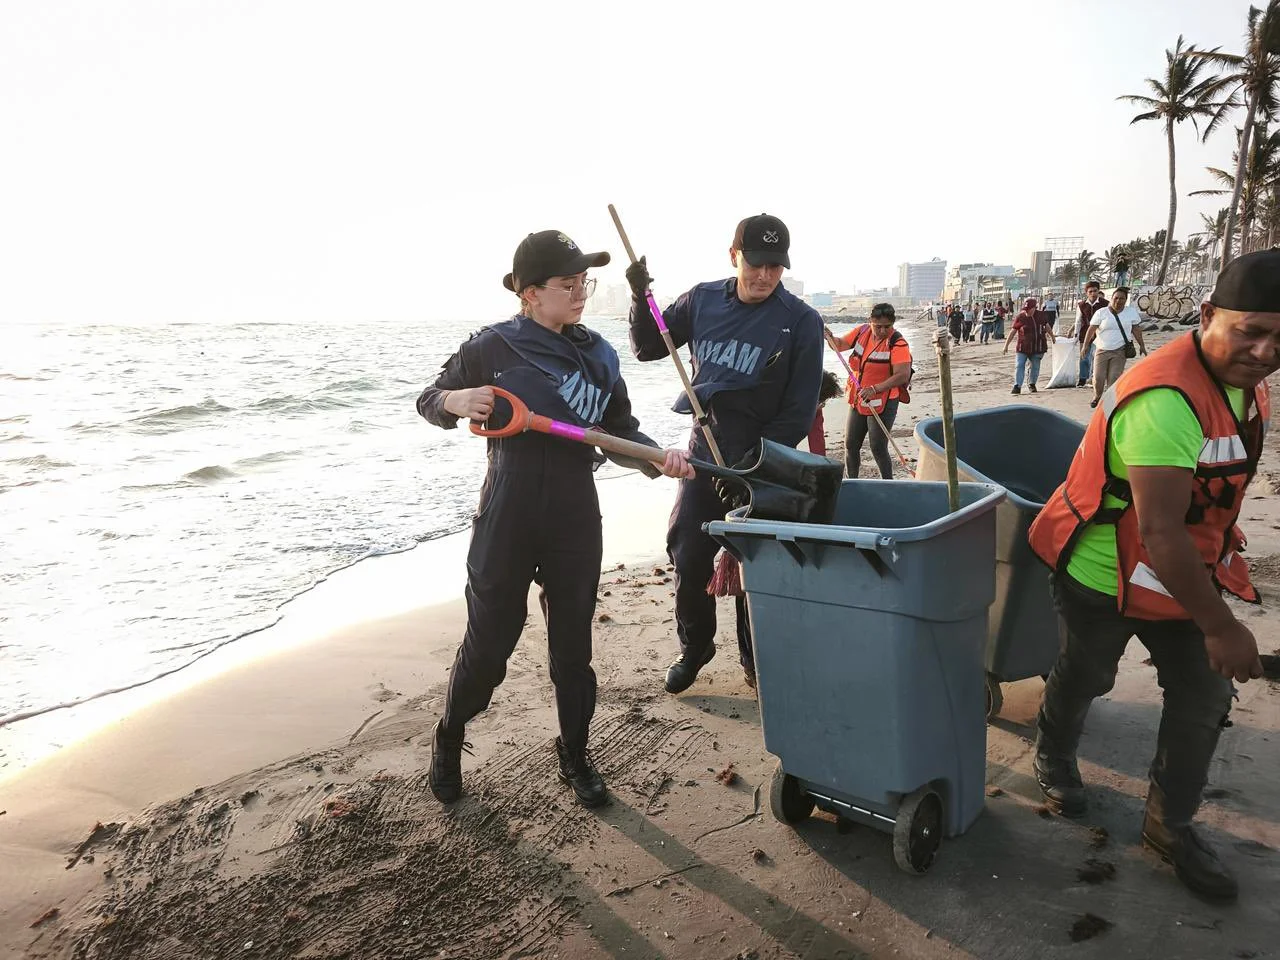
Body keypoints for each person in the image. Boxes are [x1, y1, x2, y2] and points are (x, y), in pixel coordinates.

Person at [1027, 249, 1280, 901]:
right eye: (1250, 329)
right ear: (1207, 316)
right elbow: (1161, 533)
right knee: (1088, 672)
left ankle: (1171, 825)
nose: (1264, 349)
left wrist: (1223, 542)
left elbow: (1203, 498)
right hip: (1104, 574)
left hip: (1181, 573)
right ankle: (1053, 756)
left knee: (1203, 697)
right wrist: (1223, 628)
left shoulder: (1250, 391)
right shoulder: (1166, 398)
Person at [416, 229, 694, 808]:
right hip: (509, 506)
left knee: (573, 647)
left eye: (583, 282)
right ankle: (450, 734)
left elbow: (618, 431)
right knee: (491, 642)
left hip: (574, 508)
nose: (580, 293)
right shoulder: (491, 347)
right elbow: (429, 398)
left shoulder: (600, 353)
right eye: (567, 284)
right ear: (529, 293)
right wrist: (453, 402)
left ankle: (574, 753)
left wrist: (658, 458)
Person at [626, 213, 823, 693]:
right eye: (756, 264)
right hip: (704, 450)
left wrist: (751, 467)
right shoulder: (702, 300)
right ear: (734, 256)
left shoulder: (801, 321)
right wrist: (639, 298)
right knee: (688, 552)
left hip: (764, 460)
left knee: (754, 566)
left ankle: (757, 662)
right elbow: (650, 346)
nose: (764, 276)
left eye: (775, 267)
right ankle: (696, 646)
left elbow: (797, 413)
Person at [826, 303, 913, 479]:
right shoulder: (862, 332)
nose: (881, 331)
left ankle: (888, 483)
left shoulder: (898, 343)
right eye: (877, 326)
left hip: (884, 401)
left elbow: (902, 375)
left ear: (893, 324)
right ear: (870, 322)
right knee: (850, 444)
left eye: (886, 327)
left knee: (878, 446)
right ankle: (852, 481)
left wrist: (875, 389)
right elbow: (840, 344)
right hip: (859, 397)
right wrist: (829, 337)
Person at [1082, 286, 1148, 409]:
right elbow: (1091, 329)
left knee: (1114, 377)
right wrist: (1085, 346)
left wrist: (1142, 345)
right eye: (1116, 298)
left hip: (1120, 350)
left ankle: (1109, 402)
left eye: (1121, 298)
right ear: (1111, 299)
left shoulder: (1131, 313)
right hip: (1102, 349)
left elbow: (1136, 329)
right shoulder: (1102, 313)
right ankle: (1097, 396)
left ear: (1125, 300)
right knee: (1098, 377)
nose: (1118, 301)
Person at [1004, 297, 1054, 394]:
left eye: (1029, 310)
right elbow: (1013, 331)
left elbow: (1046, 326)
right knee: (1019, 365)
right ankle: (1017, 386)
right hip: (1023, 347)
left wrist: (1052, 337)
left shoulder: (1041, 315)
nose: (1027, 312)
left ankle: (1032, 383)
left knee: (1035, 366)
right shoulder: (1020, 317)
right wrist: (1006, 345)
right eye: (1025, 310)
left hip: (1038, 346)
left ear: (1034, 308)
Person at [1076, 280, 1108, 386]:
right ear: (1086, 293)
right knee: (1084, 356)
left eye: (1095, 291)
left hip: (1100, 335)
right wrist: (1076, 335)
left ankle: (1093, 377)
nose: (1093, 293)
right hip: (1085, 334)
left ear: (1098, 291)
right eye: (1090, 291)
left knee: (1095, 356)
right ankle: (1082, 378)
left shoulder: (1105, 304)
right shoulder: (1081, 305)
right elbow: (1078, 321)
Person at [806, 370, 843, 455]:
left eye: (822, 401)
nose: (822, 405)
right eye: (820, 401)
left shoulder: (817, 408)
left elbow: (817, 440)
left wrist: (821, 463)